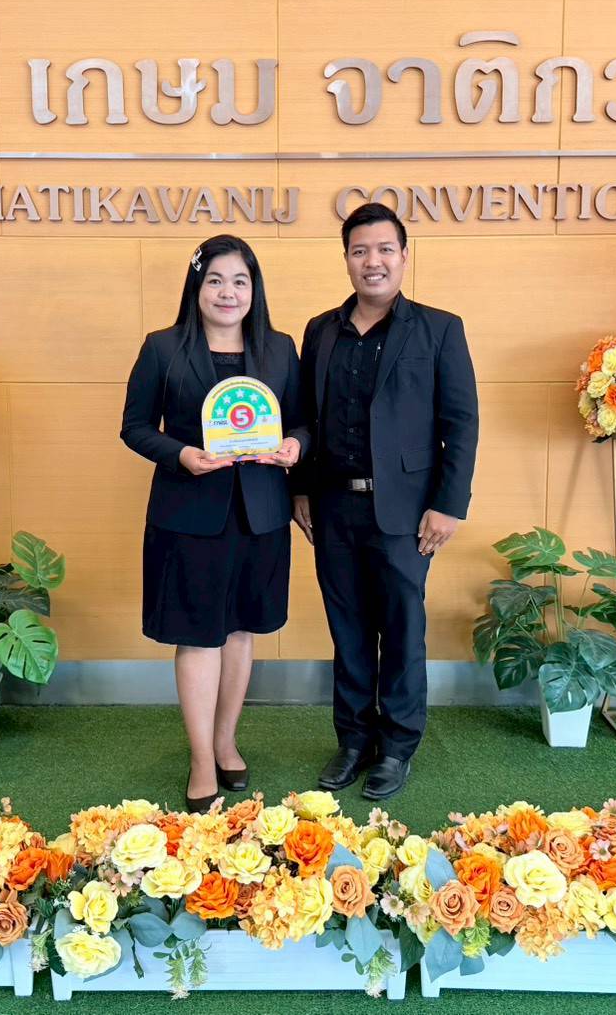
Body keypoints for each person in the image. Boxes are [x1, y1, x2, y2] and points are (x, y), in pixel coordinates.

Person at [293, 202, 478, 800]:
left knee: (400, 630)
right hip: (333, 507)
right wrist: (300, 488)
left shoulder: (439, 328)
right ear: (346, 259)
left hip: (405, 512)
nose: (372, 261)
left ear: (403, 255)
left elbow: (461, 423)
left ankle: (397, 747)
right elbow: (305, 416)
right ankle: (353, 739)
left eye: (384, 250)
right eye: (359, 251)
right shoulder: (321, 330)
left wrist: (448, 505)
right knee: (347, 629)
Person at [121, 234, 306, 812]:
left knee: (242, 631)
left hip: (261, 513)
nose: (229, 292)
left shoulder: (280, 349)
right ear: (197, 288)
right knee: (200, 634)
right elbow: (134, 426)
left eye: (240, 281)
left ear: (255, 289)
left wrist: (296, 446)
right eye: (216, 281)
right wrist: (181, 454)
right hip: (189, 513)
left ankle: (227, 741)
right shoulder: (162, 348)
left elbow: (303, 421)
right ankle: (202, 758)